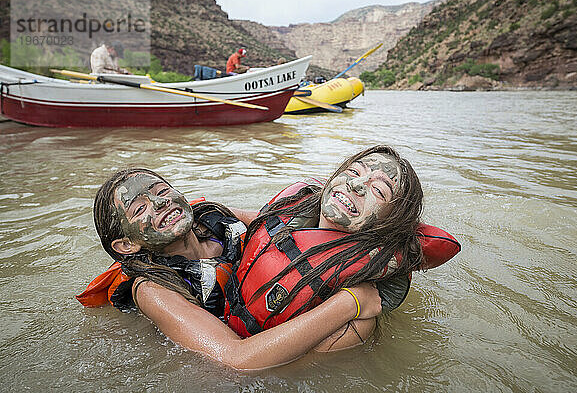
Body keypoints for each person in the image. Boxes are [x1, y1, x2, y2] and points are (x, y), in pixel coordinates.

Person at [77, 168, 383, 370]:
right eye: (140, 209)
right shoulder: (154, 290)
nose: (159, 204)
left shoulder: (213, 219)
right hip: (233, 354)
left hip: (254, 310)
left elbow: (283, 229)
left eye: (161, 191)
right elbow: (234, 360)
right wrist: (348, 303)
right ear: (127, 246)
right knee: (357, 327)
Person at [223, 145, 460, 337]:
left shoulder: (356, 315)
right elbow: (261, 223)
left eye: (378, 190)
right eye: (355, 172)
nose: (355, 185)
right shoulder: (292, 215)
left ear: (389, 224)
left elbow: (246, 366)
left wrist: (348, 304)